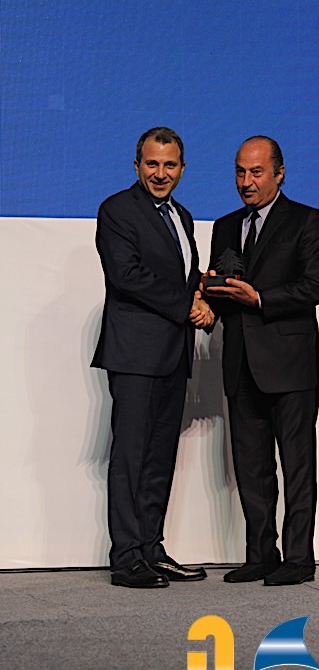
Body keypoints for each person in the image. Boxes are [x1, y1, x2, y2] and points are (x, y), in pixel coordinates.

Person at [205, 136, 319, 586]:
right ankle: (260, 554)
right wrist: (207, 298)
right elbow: (224, 287)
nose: (247, 182)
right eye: (240, 172)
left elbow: (315, 286)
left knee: (297, 465)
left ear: (279, 173)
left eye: (256, 172)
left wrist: (259, 298)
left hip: (290, 366)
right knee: (251, 468)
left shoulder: (306, 220)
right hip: (241, 363)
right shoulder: (225, 226)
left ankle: (298, 558)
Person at [92, 127, 213, 588]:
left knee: (160, 457)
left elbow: (184, 277)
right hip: (135, 355)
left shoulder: (182, 216)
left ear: (182, 168)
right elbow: (127, 275)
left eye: (169, 165)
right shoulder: (117, 210)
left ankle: (150, 549)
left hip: (173, 353)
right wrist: (187, 305)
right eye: (152, 164)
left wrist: (207, 295)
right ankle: (126, 558)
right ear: (137, 165)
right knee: (131, 457)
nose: (160, 173)